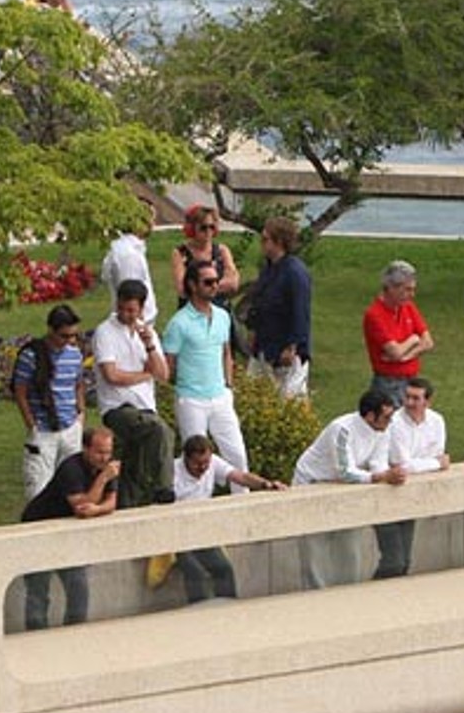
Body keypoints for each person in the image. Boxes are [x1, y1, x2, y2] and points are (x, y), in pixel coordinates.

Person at [291, 389, 404, 588]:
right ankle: (315, 594)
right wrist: (380, 477)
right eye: (386, 416)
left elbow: (378, 462)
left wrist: (387, 475)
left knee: (350, 543)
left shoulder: (383, 430)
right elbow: (345, 472)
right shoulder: (342, 429)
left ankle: (349, 591)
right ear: (370, 415)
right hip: (312, 482)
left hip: (343, 488)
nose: (390, 421)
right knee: (314, 545)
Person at [19, 426, 118, 630]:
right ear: (85, 449)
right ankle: (36, 638)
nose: (104, 458)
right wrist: (103, 479)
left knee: (78, 587)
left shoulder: (107, 469)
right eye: (100, 452)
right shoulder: (71, 468)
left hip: (67, 534)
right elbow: (81, 507)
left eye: (108, 452)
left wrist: (96, 509)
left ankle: (74, 635)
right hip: (40, 528)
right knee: (38, 590)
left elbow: (111, 503)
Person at [92, 279, 175, 507]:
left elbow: (163, 374)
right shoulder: (105, 332)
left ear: (141, 308)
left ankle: (131, 499)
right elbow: (112, 375)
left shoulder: (147, 333)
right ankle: (164, 487)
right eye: (123, 308)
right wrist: (145, 374)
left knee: (137, 460)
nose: (127, 314)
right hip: (118, 407)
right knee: (159, 429)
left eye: (132, 310)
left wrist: (149, 346)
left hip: (146, 407)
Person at [163, 259, 250, 478]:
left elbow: (226, 352)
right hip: (191, 400)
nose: (214, 286)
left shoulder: (222, 317)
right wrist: (182, 386)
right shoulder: (178, 323)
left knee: (238, 455)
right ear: (193, 285)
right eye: (208, 282)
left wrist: (228, 385)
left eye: (216, 281)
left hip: (220, 397)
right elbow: (168, 365)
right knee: (195, 461)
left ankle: (244, 504)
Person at [170, 435, 283, 604]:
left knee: (223, 569)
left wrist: (267, 485)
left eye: (206, 463)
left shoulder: (213, 462)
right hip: (176, 533)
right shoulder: (172, 472)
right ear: (185, 458)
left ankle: (229, 608)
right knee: (196, 574)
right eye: (197, 464)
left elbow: (240, 477)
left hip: (201, 531)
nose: (202, 468)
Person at [375, 378, 450, 579]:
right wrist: (434, 463)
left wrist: (428, 464)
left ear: (427, 402)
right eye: (407, 397)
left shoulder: (436, 421)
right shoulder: (395, 423)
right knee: (393, 560)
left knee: (405, 560)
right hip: (387, 494)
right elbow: (403, 464)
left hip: (411, 496)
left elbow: (437, 453)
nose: (409, 403)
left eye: (416, 398)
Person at [10, 304, 86, 500]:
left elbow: (78, 384)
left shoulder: (74, 354)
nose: (69, 341)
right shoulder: (31, 356)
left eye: (73, 336)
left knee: (72, 488)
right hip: (43, 430)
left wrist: (81, 414)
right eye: (64, 336)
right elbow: (20, 391)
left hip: (70, 427)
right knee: (38, 490)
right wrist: (31, 423)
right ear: (51, 330)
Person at [246, 214, 312, 397]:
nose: (262, 244)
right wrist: (252, 328)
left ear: (279, 241)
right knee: (254, 390)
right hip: (264, 343)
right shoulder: (269, 268)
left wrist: (292, 345)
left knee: (289, 397)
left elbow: (300, 311)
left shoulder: (294, 273)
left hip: (284, 346)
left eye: (266, 239)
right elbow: (259, 301)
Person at [171, 204, 242, 355]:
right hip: (191, 317)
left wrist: (201, 286)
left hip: (220, 313)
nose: (208, 232)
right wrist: (219, 285)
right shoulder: (180, 253)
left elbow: (234, 283)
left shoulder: (222, 250)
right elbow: (183, 289)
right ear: (192, 229)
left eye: (212, 227)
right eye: (203, 228)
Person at [363, 259, 433, 403]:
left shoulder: (407, 307)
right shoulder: (374, 315)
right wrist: (413, 339)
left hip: (412, 380)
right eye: (407, 289)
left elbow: (428, 342)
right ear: (391, 287)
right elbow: (395, 352)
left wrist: (405, 357)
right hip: (389, 385)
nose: (412, 294)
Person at [99, 200, 158, 324]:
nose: (153, 224)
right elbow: (131, 296)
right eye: (151, 218)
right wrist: (139, 328)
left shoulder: (128, 249)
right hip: (136, 326)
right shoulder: (128, 255)